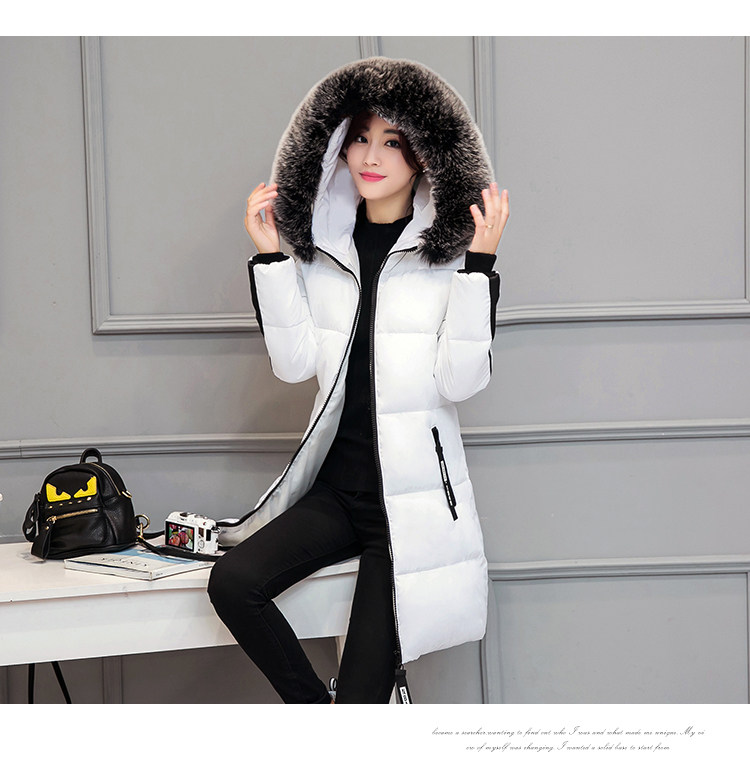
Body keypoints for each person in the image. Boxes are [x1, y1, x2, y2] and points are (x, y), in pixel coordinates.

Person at [207, 57, 510, 704]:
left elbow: (460, 381)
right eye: (360, 138)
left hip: (409, 507)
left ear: (423, 155)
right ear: (338, 149)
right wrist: (272, 258)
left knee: (363, 699)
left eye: (392, 141)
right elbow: (294, 365)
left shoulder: (449, 259)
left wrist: (479, 268)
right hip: (337, 493)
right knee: (233, 582)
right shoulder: (323, 253)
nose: (371, 157)